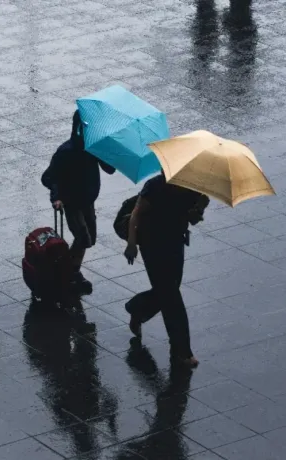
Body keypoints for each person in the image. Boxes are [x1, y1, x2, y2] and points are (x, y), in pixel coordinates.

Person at [123, 174, 209, 368]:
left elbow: (192, 219)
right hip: (151, 244)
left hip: (174, 243)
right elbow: (136, 214)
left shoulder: (192, 188)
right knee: (171, 296)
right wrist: (131, 243)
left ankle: (137, 307)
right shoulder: (154, 185)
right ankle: (182, 351)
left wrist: (200, 207)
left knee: (168, 291)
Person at [41, 110, 115, 292]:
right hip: (72, 202)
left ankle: (71, 271)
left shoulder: (93, 148)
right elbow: (49, 177)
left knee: (88, 240)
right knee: (83, 238)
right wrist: (57, 197)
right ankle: (67, 273)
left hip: (88, 200)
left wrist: (106, 150)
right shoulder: (66, 151)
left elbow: (110, 169)